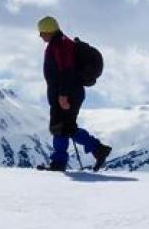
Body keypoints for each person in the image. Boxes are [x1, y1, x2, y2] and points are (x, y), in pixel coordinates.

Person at [38, 16, 112, 172]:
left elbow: (67, 70)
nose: (40, 35)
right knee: (66, 127)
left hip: (67, 93)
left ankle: (59, 162)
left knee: (60, 127)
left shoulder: (60, 44)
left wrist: (63, 95)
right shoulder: (60, 43)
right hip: (69, 92)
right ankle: (98, 149)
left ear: (49, 30)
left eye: (42, 32)